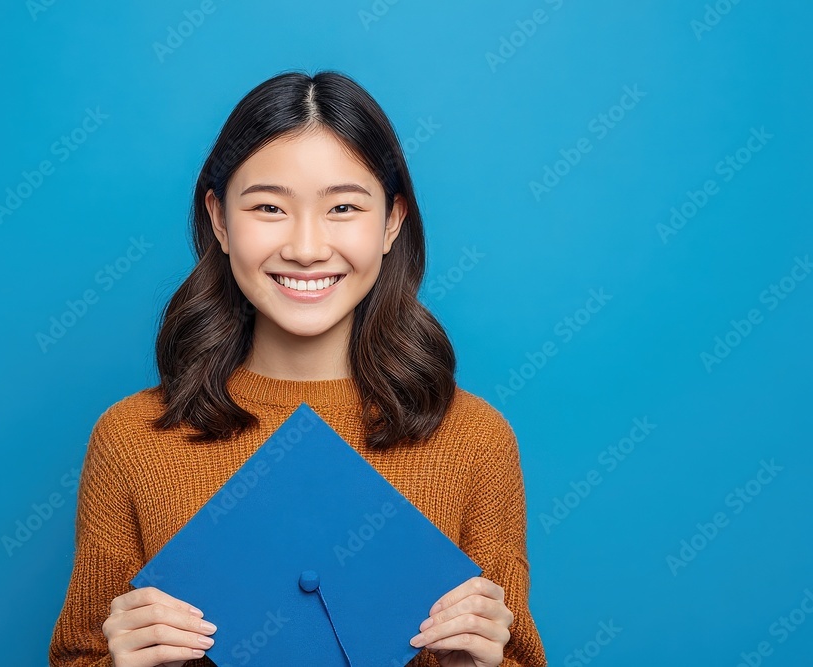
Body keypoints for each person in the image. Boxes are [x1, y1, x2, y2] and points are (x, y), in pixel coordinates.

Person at [49, 69, 547, 667]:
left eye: (342, 207)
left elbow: (516, 656)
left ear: (392, 221)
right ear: (219, 219)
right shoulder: (131, 440)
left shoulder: (474, 440)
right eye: (268, 207)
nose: (306, 247)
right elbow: (78, 656)